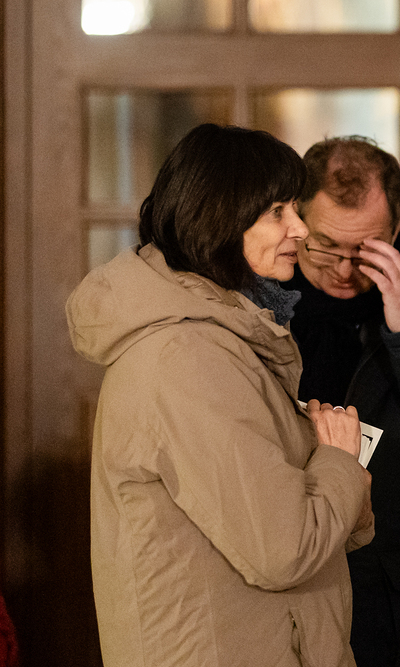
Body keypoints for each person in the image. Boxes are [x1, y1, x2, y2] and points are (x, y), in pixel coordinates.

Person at [66, 123, 374, 667]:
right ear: (221, 219)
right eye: (277, 211)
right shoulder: (188, 358)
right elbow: (285, 549)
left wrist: (330, 464)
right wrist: (337, 459)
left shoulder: (225, 337)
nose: (300, 229)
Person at [282, 136, 400, 666]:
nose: (344, 270)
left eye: (365, 250)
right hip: (286, 576)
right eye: (325, 246)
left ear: (394, 231)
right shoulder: (256, 308)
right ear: (296, 221)